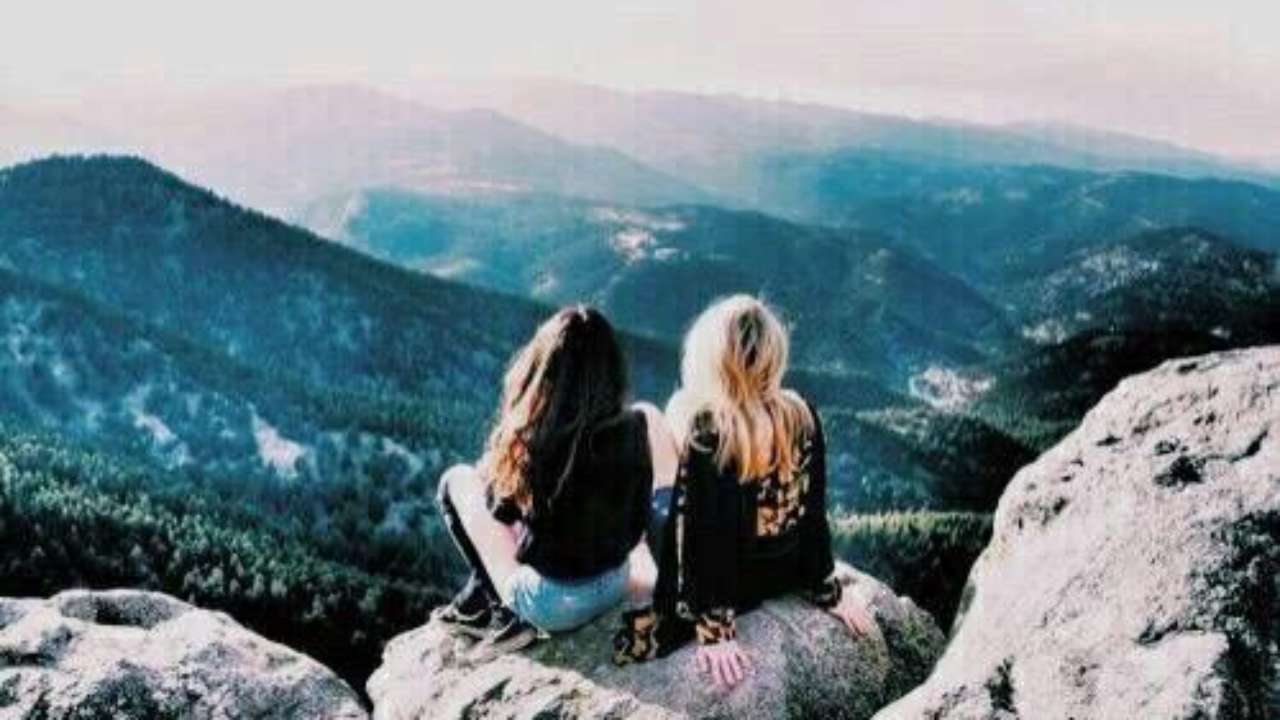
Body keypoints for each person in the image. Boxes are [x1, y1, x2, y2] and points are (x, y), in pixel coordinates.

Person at [613, 295, 876, 689]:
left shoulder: (711, 431)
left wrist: (715, 628)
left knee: (649, 419)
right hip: (779, 574)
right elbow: (812, 512)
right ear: (774, 355)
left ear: (713, 359)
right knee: (676, 409)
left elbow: (707, 536)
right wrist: (828, 591)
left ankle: (625, 551)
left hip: (730, 586)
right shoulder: (802, 413)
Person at [434, 305, 677, 656]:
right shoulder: (636, 427)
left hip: (550, 606)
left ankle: (503, 615)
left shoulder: (535, 440)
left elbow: (501, 513)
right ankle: (474, 604)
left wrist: (495, 472)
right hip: (616, 582)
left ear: (542, 368)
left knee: (456, 480)